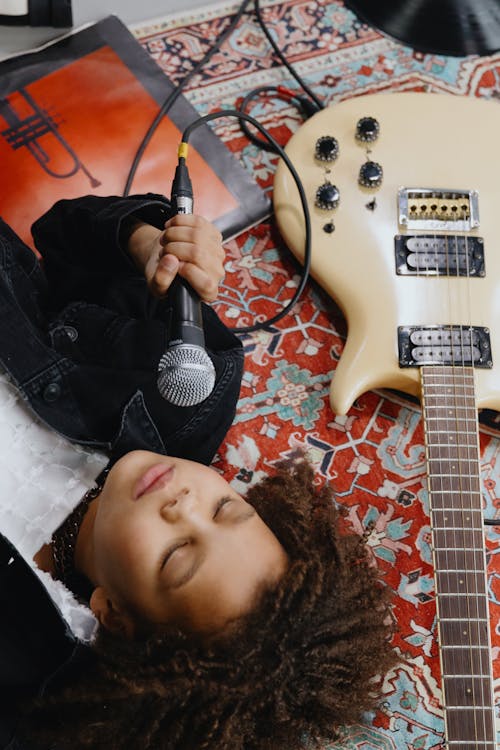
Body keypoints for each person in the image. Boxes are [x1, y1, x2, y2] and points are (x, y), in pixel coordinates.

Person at [0, 194, 397, 750]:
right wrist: (144, 240)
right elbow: (60, 231)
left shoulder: (21, 664)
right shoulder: (189, 391)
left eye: (177, 555)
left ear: (114, 616)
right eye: (224, 508)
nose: (183, 501)